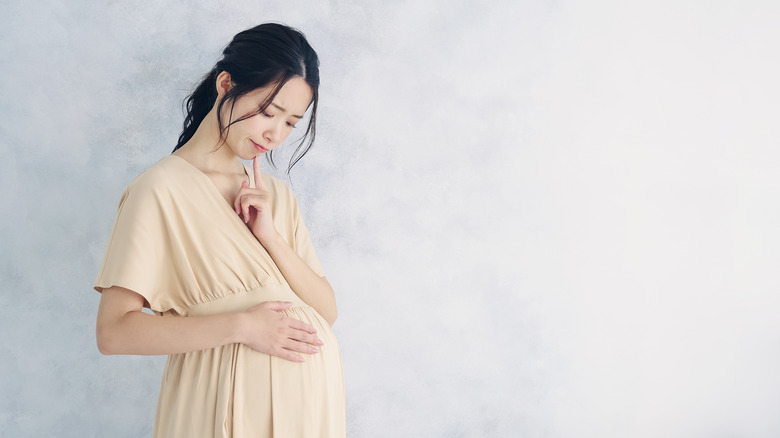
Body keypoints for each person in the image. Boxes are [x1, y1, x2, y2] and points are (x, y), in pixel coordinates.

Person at [93, 23, 345, 437]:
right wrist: (242, 327)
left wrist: (270, 237)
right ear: (225, 84)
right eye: (268, 112)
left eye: (291, 124)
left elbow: (327, 311)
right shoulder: (159, 190)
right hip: (222, 400)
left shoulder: (275, 197)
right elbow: (114, 332)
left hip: (310, 408)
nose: (274, 134)